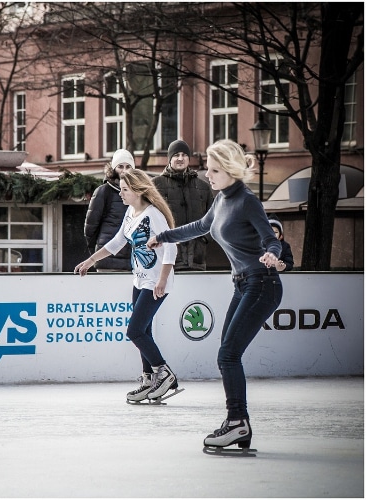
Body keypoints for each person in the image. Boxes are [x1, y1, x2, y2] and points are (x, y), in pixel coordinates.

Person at [147, 139, 283, 449]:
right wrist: (163, 236)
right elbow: (199, 226)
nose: (208, 175)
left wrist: (272, 254)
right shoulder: (221, 199)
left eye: (214, 170)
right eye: (208, 169)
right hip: (243, 283)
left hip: (262, 282)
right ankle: (239, 423)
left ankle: (237, 422)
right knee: (227, 352)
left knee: (227, 355)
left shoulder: (247, 201)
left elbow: (269, 238)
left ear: (231, 170)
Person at [75, 168, 180, 403]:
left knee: (134, 331)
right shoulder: (131, 212)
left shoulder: (153, 214)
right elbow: (117, 242)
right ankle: (148, 379)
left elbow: (170, 247)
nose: (120, 194)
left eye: (124, 190)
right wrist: (91, 261)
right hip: (140, 279)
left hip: (155, 281)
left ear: (137, 190)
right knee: (144, 331)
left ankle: (164, 374)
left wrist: (163, 279)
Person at [152, 139, 214, 271]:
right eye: (176, 155)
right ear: (169, 158)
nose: (181, 158)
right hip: (167, 259)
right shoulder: (155, 185)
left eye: (184, 155)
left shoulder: (203, 186)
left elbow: (213, 218)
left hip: (197, 257)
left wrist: (204, 239)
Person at [84, 149, 135, 272]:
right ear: (113, 168)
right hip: (108, 261)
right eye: (120, 166)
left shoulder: (139, 192)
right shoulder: (103, 191)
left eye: (128, 166)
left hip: (133, 261)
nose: (124, 170)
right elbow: (90, 228)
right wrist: (97, 254)